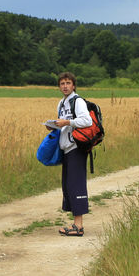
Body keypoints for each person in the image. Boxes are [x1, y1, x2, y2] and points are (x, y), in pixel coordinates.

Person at [51, 72, 93, 236]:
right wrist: (55, 126)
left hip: (76, 147)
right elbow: (64, 125)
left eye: (68, 83)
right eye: (62, 83)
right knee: (68, 185)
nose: (65, 86)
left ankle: (78, 226)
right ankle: (76, 224)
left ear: (74, 85)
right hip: (66, 148)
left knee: (75, 185)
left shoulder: (78, 101)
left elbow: (87, 121)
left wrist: (67, 122)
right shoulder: (61, 103)